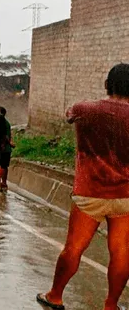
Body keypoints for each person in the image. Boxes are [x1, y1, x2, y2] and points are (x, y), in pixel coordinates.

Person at [38, 64, 129, 310]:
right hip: (125, 196)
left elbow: (68, 115)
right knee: (121, 251)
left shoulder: (85, 109)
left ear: (107, 84)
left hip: (90, 192)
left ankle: (55, 296)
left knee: (74, 247)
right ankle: (110, 305)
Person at [0, 106, 15, 189]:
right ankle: (3, 182)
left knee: (1, 166)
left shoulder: (2, 123)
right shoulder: (4, 122)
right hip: (5, 148)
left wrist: (7, 144)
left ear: (2, 114)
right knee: (4, 166)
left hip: (3, 148)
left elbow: (5, 136)